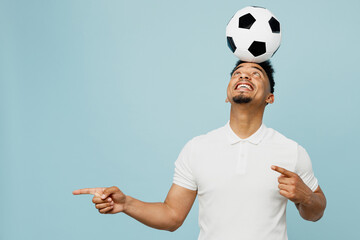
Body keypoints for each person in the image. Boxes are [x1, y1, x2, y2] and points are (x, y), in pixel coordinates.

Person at [73, 60, 326, 240]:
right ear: (227, 94)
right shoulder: (197, 149)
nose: (244, 76)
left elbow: (316, 212)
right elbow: (172, 216)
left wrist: (306, 197)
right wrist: (126, 203)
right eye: (238, 72)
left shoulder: (291, 151)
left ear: (270, 97)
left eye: (256, 73)